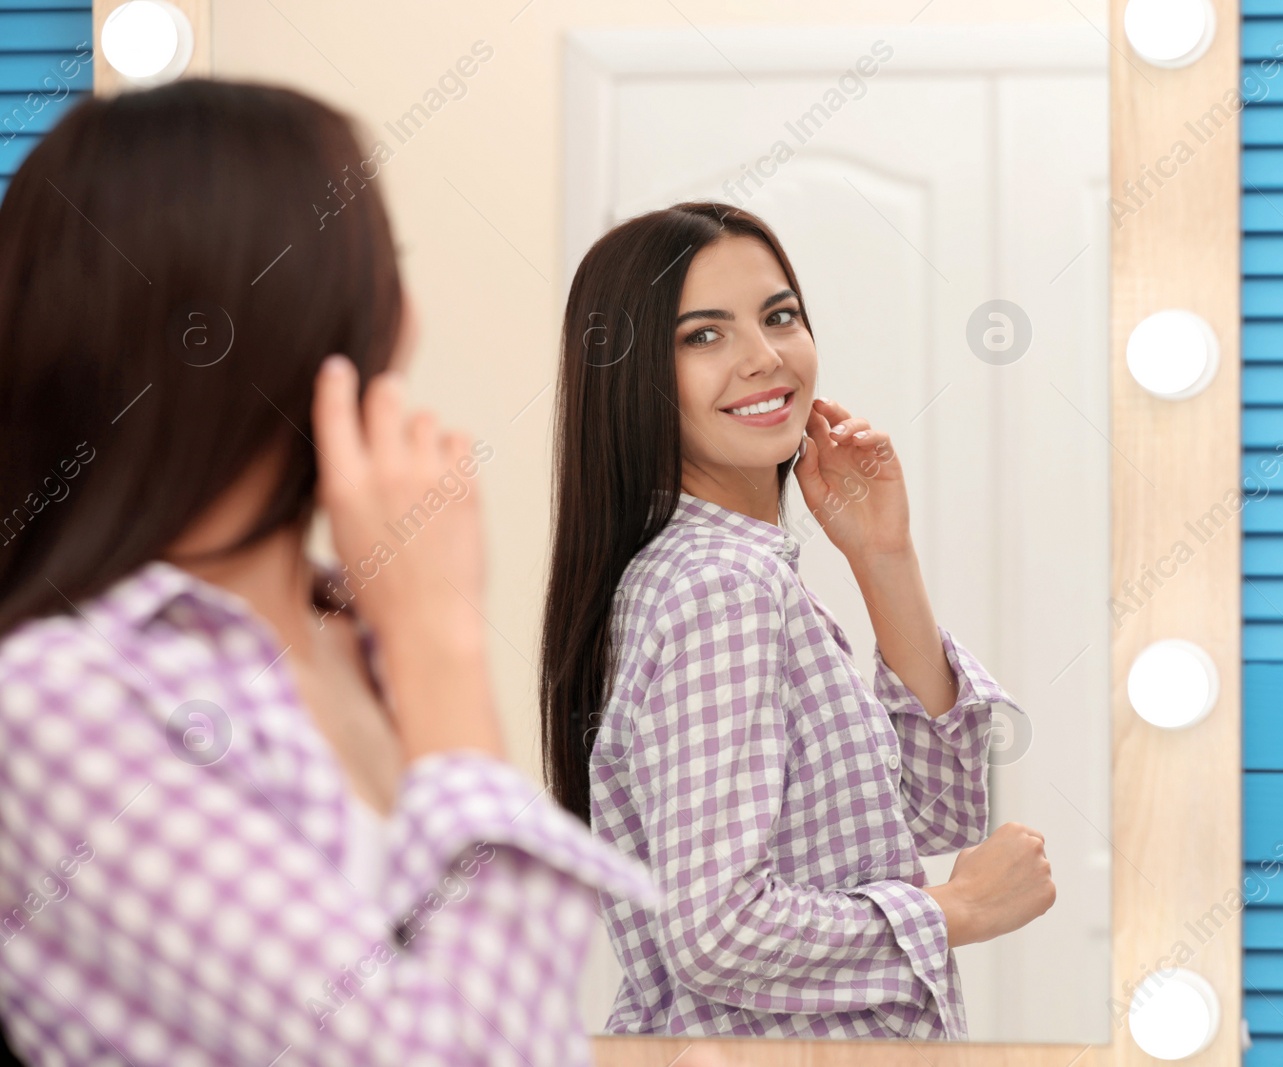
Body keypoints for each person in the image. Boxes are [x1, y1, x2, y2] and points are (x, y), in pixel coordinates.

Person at [0, 79, 654, 1065]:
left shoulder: (360, 643)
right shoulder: (57, 703)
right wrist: (443, 642)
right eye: (382, 269)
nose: (407, 319)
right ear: (308, 319)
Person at [538, 202, 1056, 1040]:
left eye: (779, 316)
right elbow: (717, 933)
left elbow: (932, 813)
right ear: (631, 375)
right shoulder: (720, 588)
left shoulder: (725, 574)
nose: (764, 357)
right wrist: (955, 908)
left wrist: (883, 558)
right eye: (703, 336)